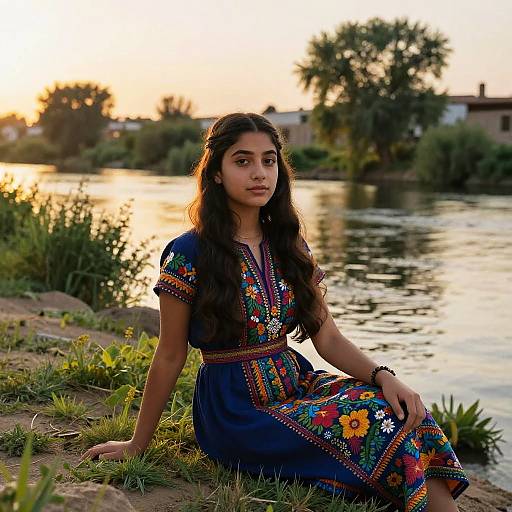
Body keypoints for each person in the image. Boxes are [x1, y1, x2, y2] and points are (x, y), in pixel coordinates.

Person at [81, 112, 470, 511]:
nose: (259, 173)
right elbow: (170, 353)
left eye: (269, 161)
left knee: (402, 409)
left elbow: (329, 338)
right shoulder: (188, 252)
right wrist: (136, 443)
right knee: (375, 419)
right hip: (235, 410)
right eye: (243, 160)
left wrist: (385, 376)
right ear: (216, 172)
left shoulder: (291, 246)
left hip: (293, 384)